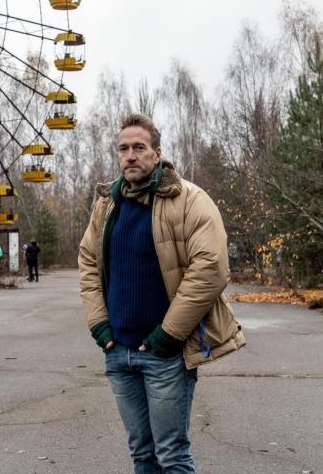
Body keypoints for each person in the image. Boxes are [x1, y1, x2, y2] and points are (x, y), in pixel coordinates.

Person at [78, 114, 246, 474]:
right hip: (118, 352)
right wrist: (99, 327)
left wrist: (168, 335)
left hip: (164, 354)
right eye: (123, 148)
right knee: (141, 452)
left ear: (157, 153)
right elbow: (88, 264)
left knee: (171, 454)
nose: (130, 155)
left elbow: (211, 269)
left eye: (139, 147)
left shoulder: (188, 200)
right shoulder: (107, 205)